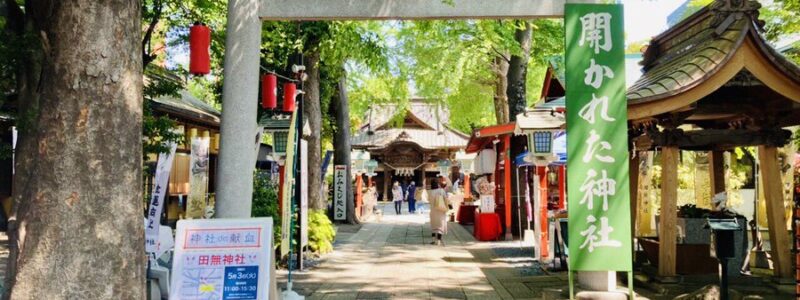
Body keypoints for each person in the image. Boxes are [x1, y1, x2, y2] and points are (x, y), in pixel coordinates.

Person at [428, 179, 449, 246]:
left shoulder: (430, 192)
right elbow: (446, 198)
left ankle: (433, 240)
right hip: (441, 209)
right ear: (438, 184)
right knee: (440, 225)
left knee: (434, 225)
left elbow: (429, 201)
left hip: (433, 210)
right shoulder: (441, 190)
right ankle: (439, 241)